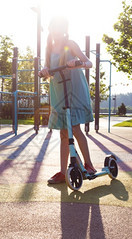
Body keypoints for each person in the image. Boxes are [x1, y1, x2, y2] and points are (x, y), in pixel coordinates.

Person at [39, 16, 96, 184]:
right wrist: (44, 70)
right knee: (63, 132)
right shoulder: (49, 48)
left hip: (74, 89)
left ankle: (89, 165)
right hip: (58, 90)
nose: (56, 31)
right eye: (53, 27)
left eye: (59, 28)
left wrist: (76, 63)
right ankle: (63, 173)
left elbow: (89, 63)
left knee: (75, 128)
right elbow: (48, 68)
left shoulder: (70, 44)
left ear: (64, 29)